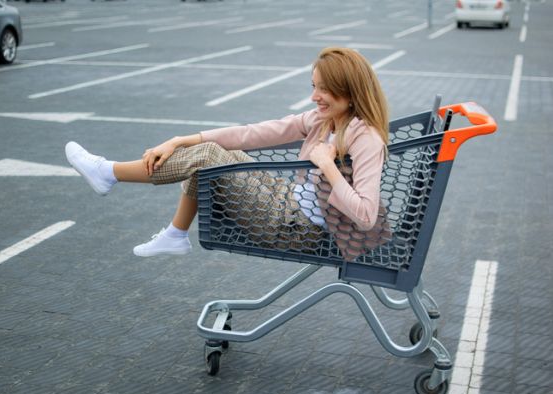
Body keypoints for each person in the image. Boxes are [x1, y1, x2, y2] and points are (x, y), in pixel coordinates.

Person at [65, 47, 390, 259]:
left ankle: (108, 173)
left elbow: (365, 215)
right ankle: (176, 233)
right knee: (218, 154)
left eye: (324, 89)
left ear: (350, 92)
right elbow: (254, 133)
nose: (315, 96)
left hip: (296, 230)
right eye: (313, 86)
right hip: (285, 200)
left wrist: (326, 166)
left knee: (208, 158)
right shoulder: (324, 120)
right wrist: (180, 140)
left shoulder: (367, 139)